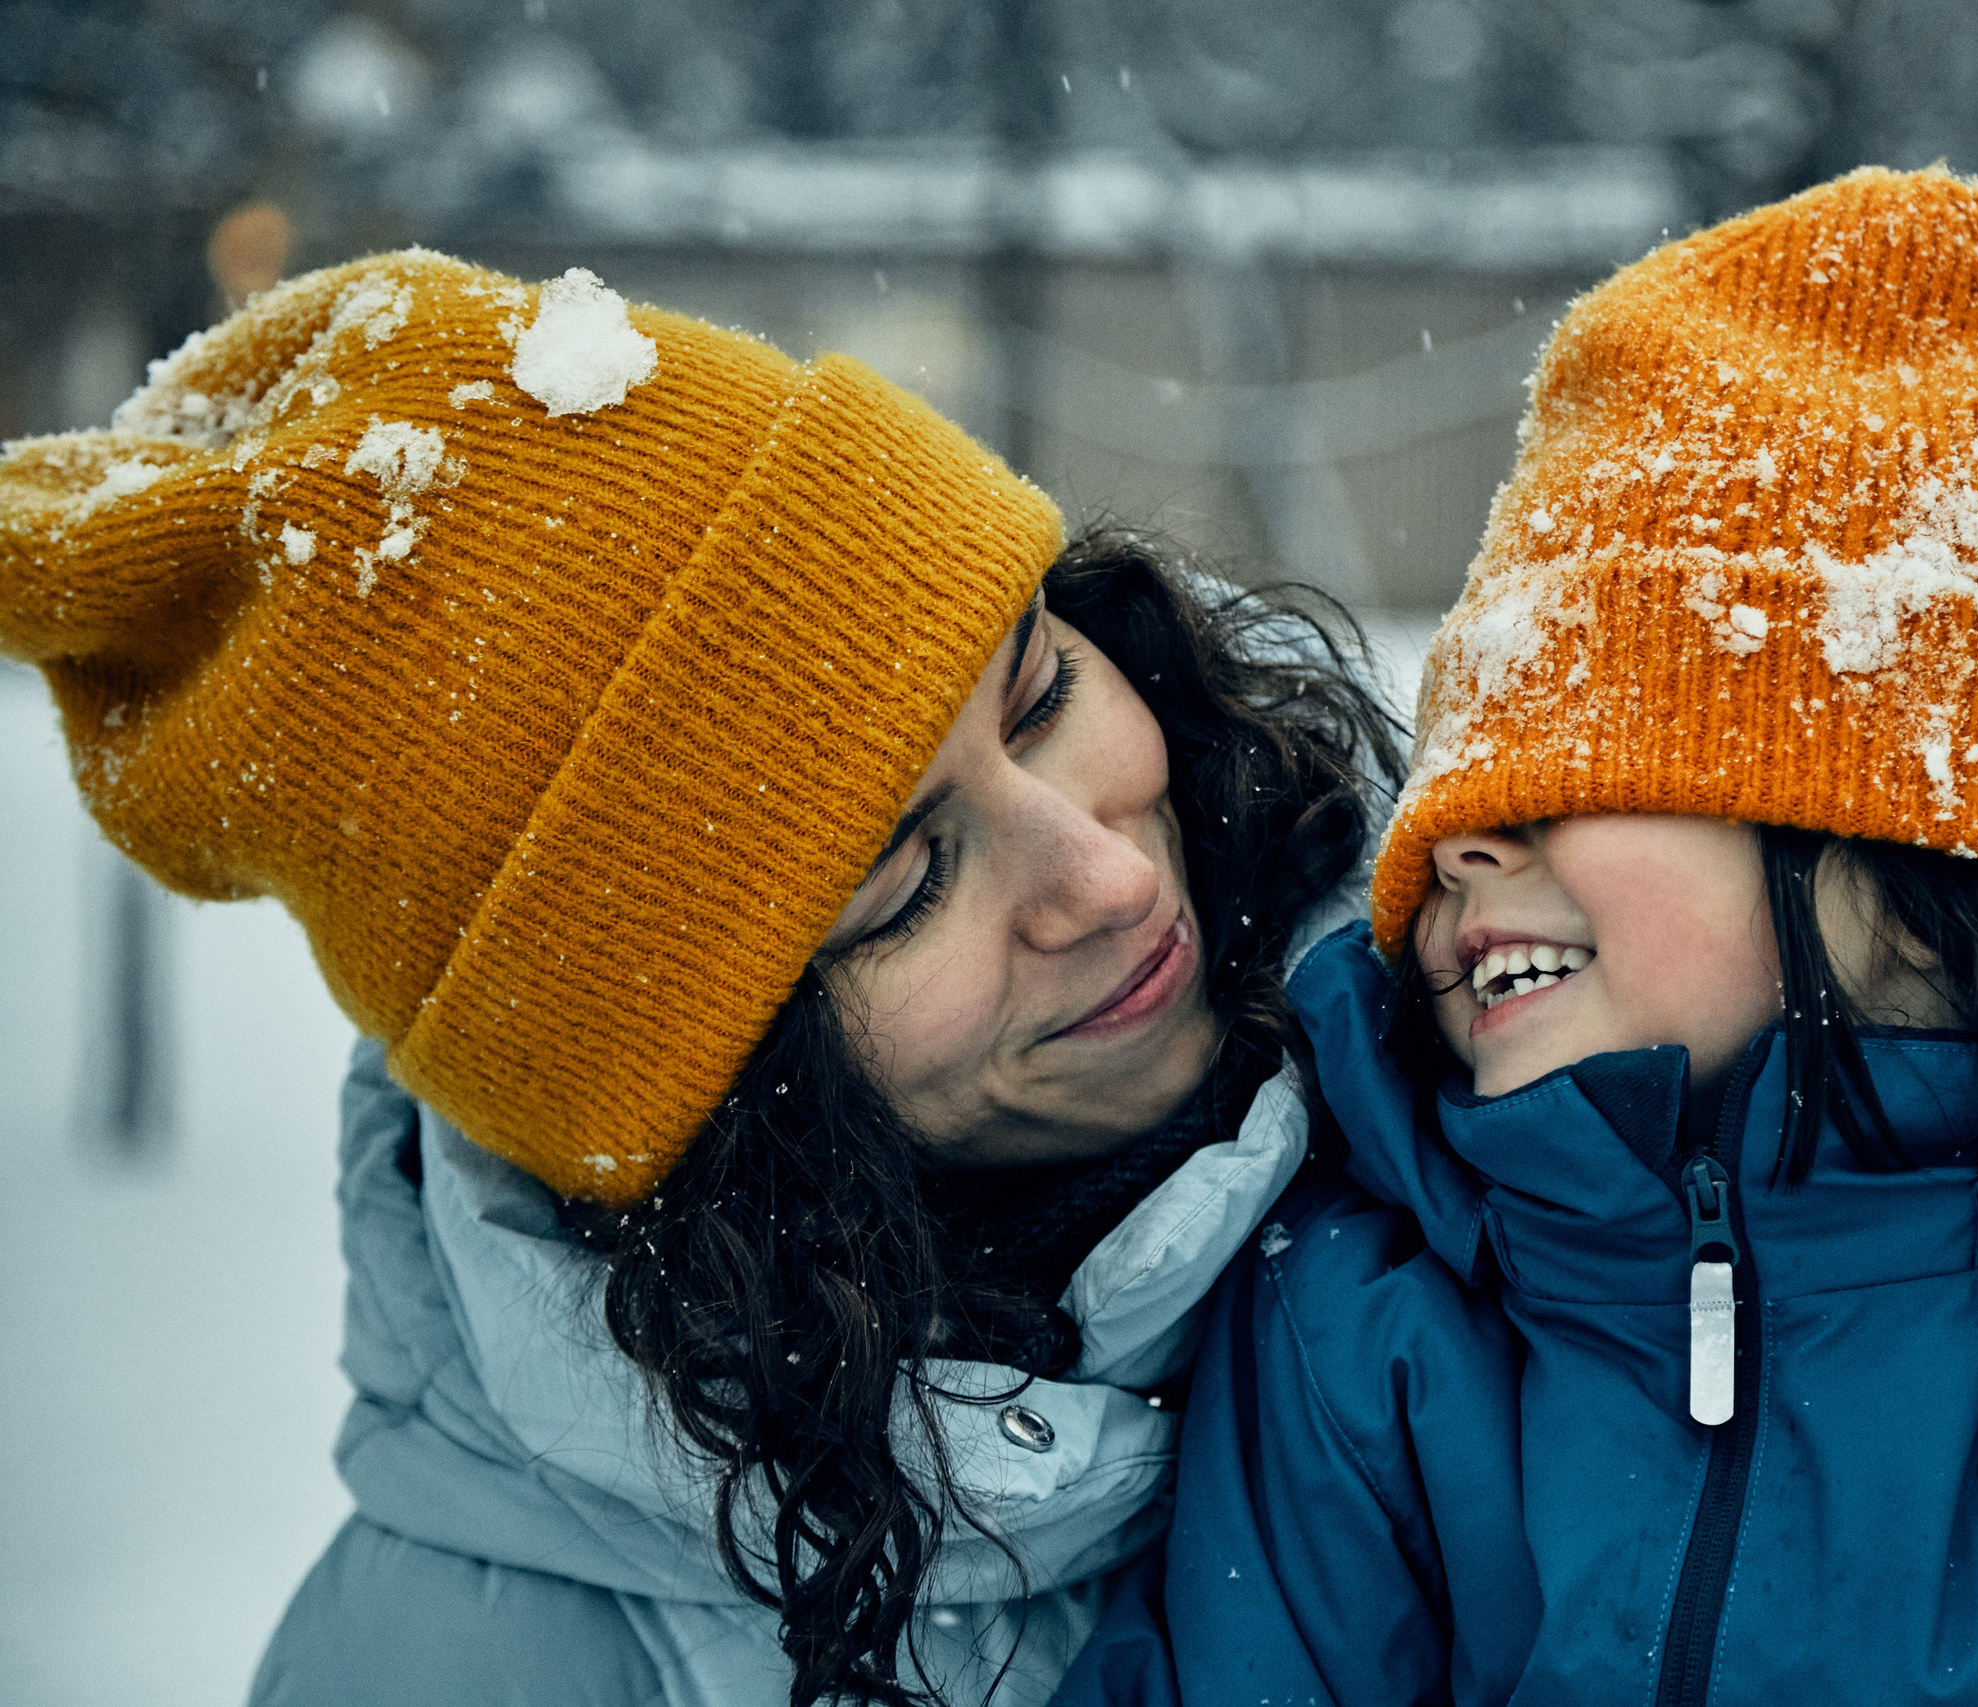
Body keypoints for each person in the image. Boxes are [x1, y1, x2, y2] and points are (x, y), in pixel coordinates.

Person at [1058, 167, 1978, 1704]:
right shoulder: (1367, 1339)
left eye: (1580, 770)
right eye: (1457, 788)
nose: (1458, 847)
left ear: (1923, 845)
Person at [0, 250, 1399, 1706]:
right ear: (727, 1118)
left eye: (1042, 696)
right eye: (904, 884)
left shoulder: (1529, 1137)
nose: (1105, 880)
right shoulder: (460, 1676)